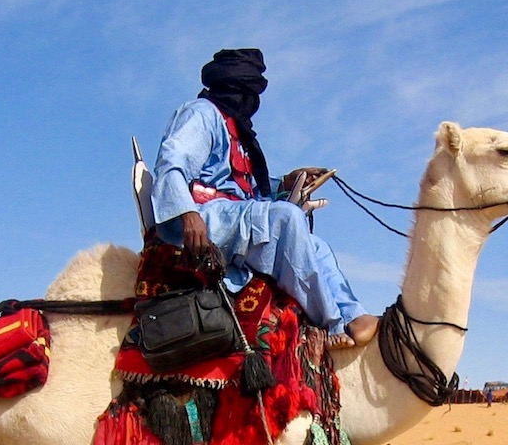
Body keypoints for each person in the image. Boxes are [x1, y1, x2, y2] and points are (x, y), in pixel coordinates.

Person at [151, 47, 378, 349]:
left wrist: (286, 183)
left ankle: (353, 314)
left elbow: (243, 189)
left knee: (316, 246)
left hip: (232, 216)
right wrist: (187, 213)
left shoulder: (238, 132)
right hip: (201, 217)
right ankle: (332, 323)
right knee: (287, 218)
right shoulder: (202, 114)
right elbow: (171, 162)